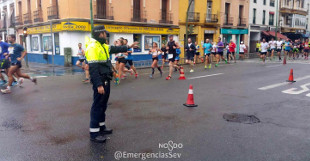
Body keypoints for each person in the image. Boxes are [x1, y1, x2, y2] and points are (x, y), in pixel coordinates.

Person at [85, 25, 138, 143]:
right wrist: (98, 85)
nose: (106, 35)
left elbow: (114, 49)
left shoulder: (102, 45)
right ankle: (94, 133)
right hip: (100, 80)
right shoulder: (93, 47)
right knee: (97, 105)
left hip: (106, 78)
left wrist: (129, 46)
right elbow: (93, 68)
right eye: (104, 33)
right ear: (100, 34)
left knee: (103, 104)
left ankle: (101, 127)